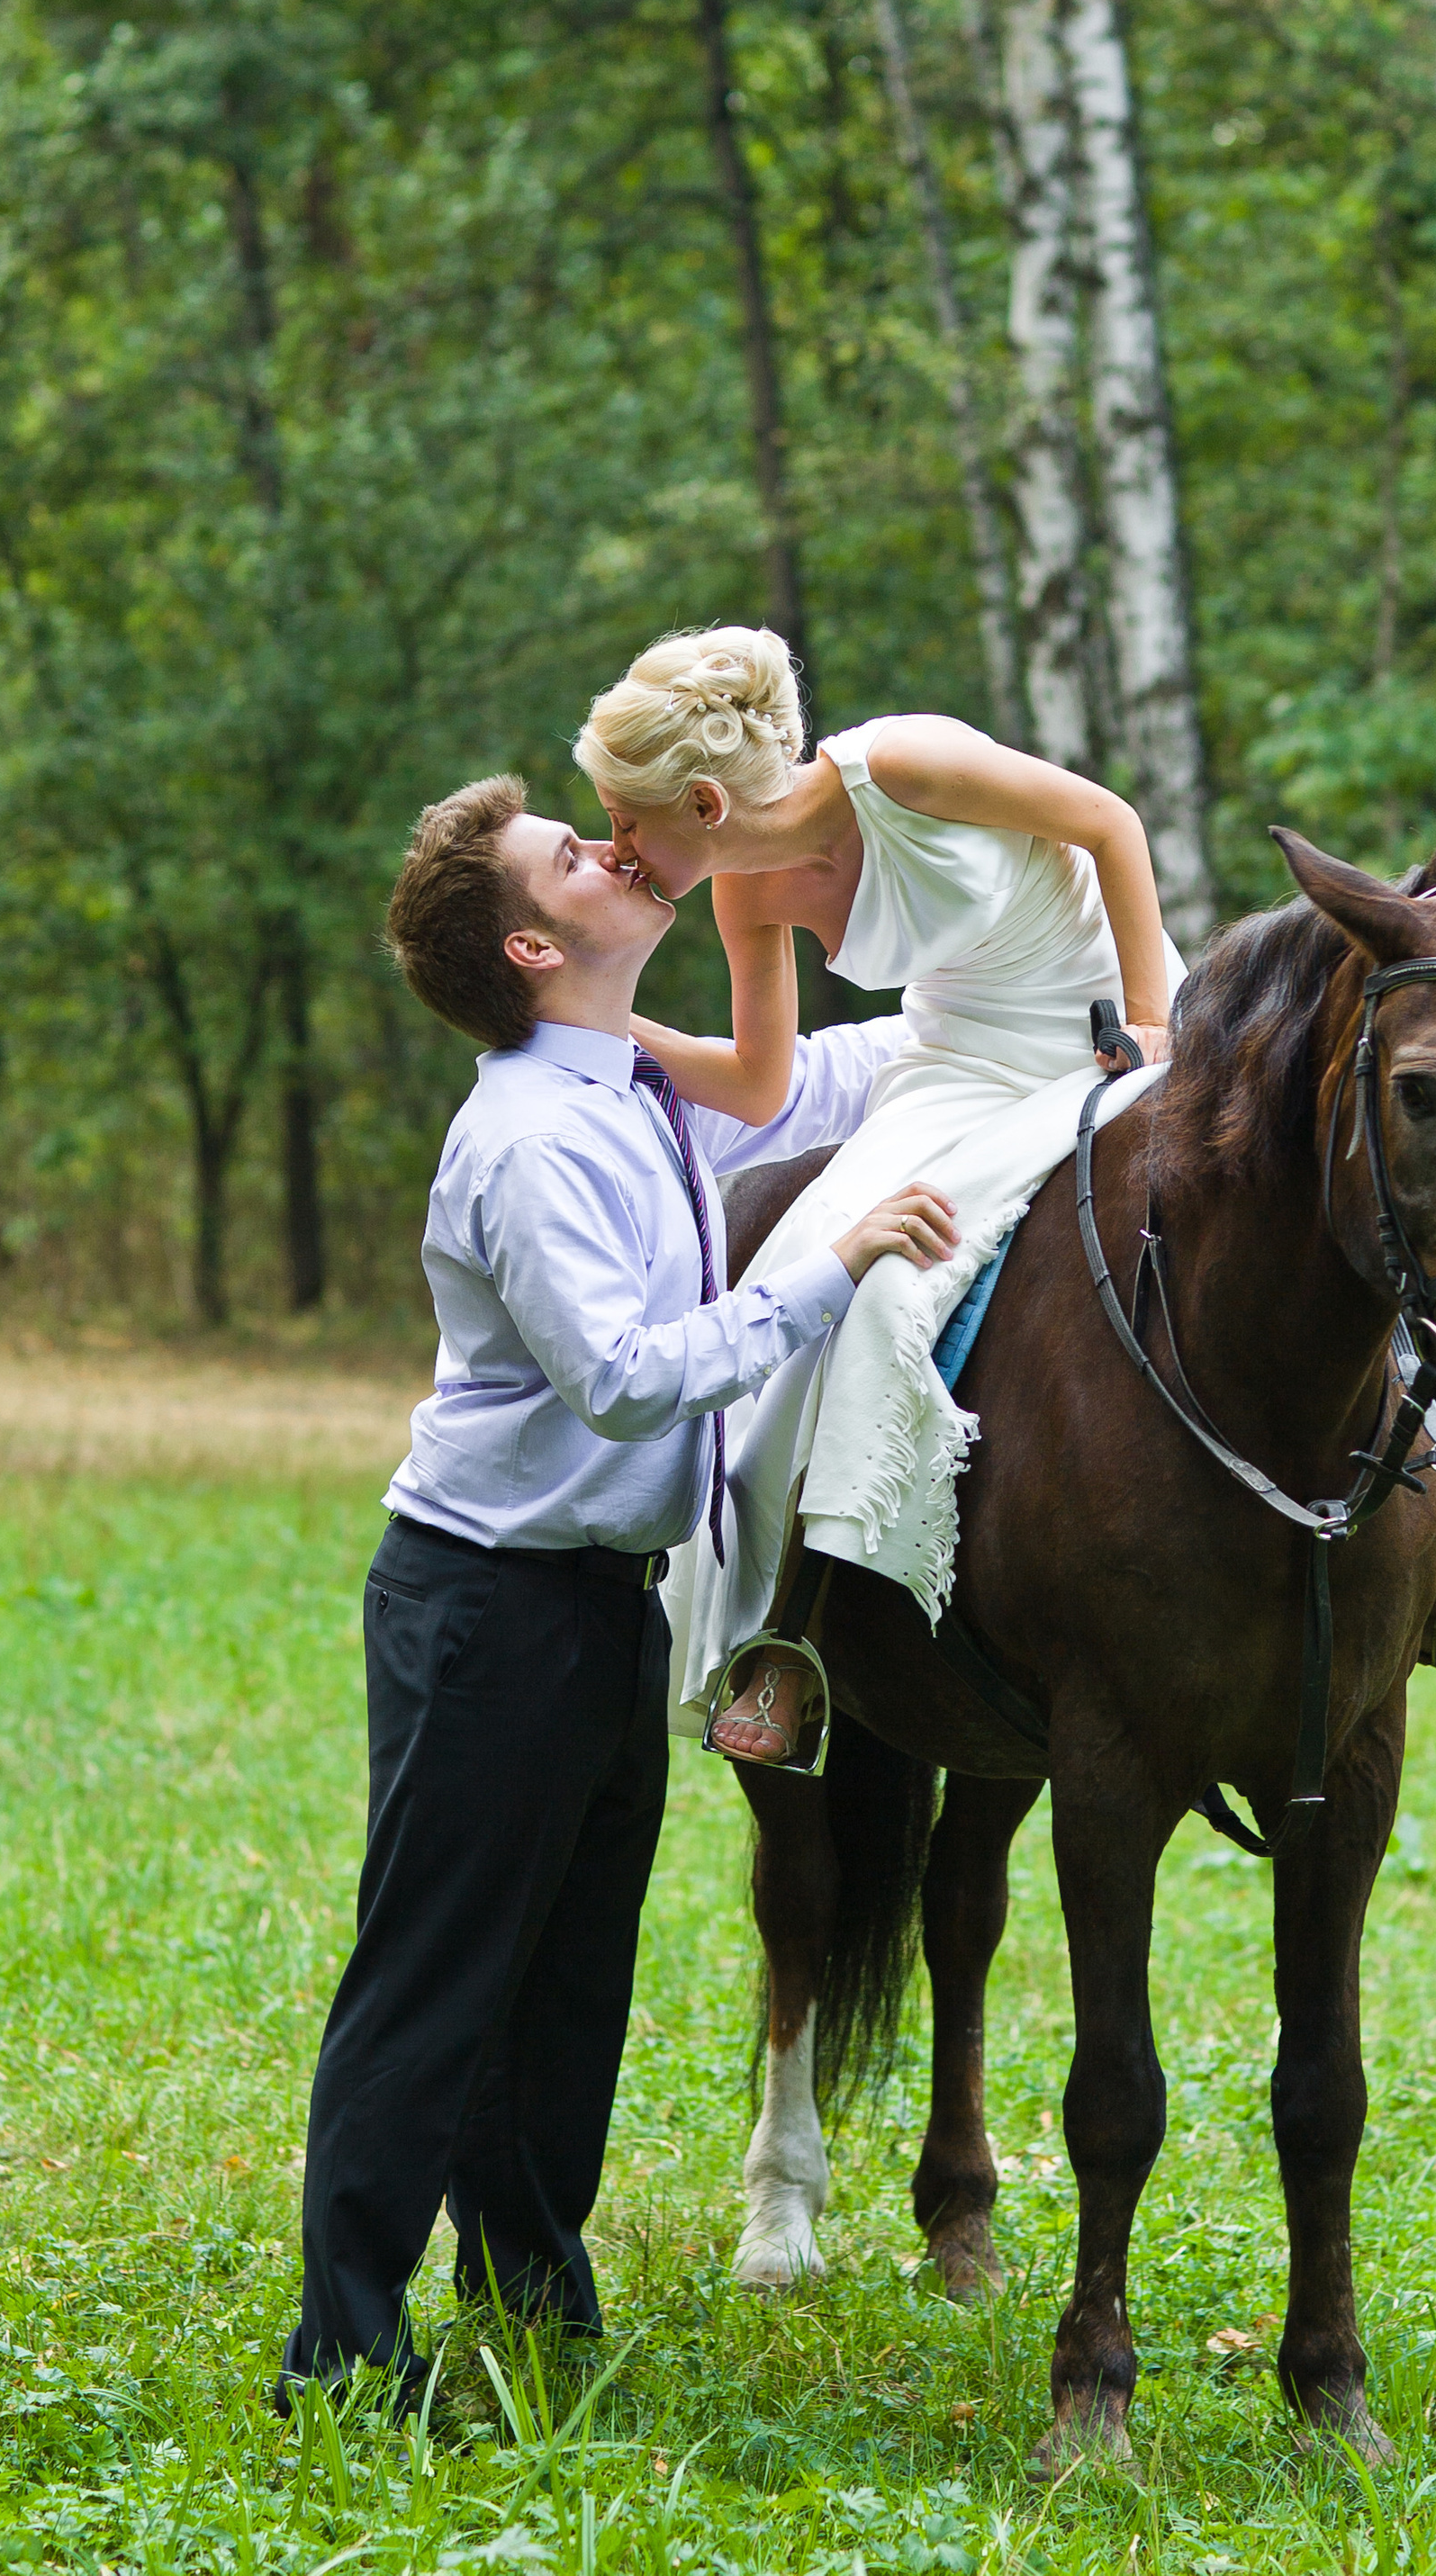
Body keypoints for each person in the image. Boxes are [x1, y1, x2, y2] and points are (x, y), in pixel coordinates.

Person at [575, 624, 1436, 1766]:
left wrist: (1149, 1018)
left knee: (1311, 1246)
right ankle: (792, 1623)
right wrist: (603, 1025)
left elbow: (1106, 825)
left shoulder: (900, 764)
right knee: (856, 1288)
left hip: (1111, 1033)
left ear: (698, 801)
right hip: (958, 1076)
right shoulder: (743, 891)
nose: (615, 849)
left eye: (623, 821)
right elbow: (758, 1080)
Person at [278, 771, 956, 2413]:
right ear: (531, 940)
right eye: (566, 855)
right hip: (483, 1609)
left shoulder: (629, 1085)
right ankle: (347, 2354)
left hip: (603, 1606)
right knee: (436, 1974)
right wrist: (828, 1265)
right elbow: (628, 1381)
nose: (607, 848)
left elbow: (815, 1087)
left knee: (570, 1974)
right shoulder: (523, 1140)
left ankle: (533, 2293)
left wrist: (1027, 1032)